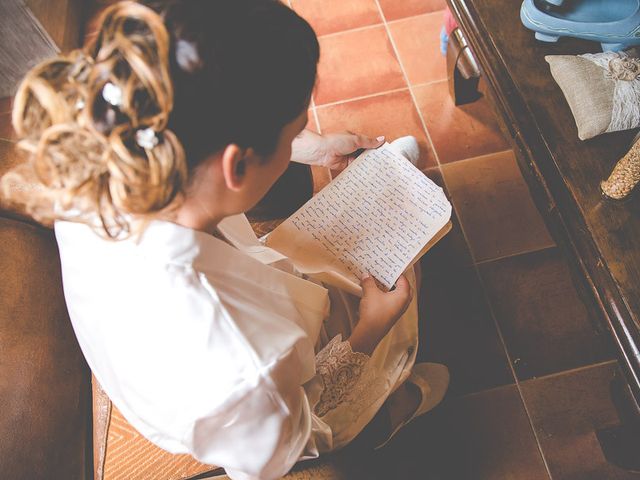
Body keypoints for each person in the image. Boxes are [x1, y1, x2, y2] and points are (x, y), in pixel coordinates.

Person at [0, 1, 449, 479]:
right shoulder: (245, 363)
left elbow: (202, 119)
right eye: (295, 129)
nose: (302, 135)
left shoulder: (106, 148)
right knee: (393, 287)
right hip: (248, 409)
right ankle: (388, 414)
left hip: (158, 344)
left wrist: (309, 147)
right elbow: (295, 440)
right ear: (235, 165)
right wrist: (371, 329)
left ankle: (382, 198)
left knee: (355, 243)